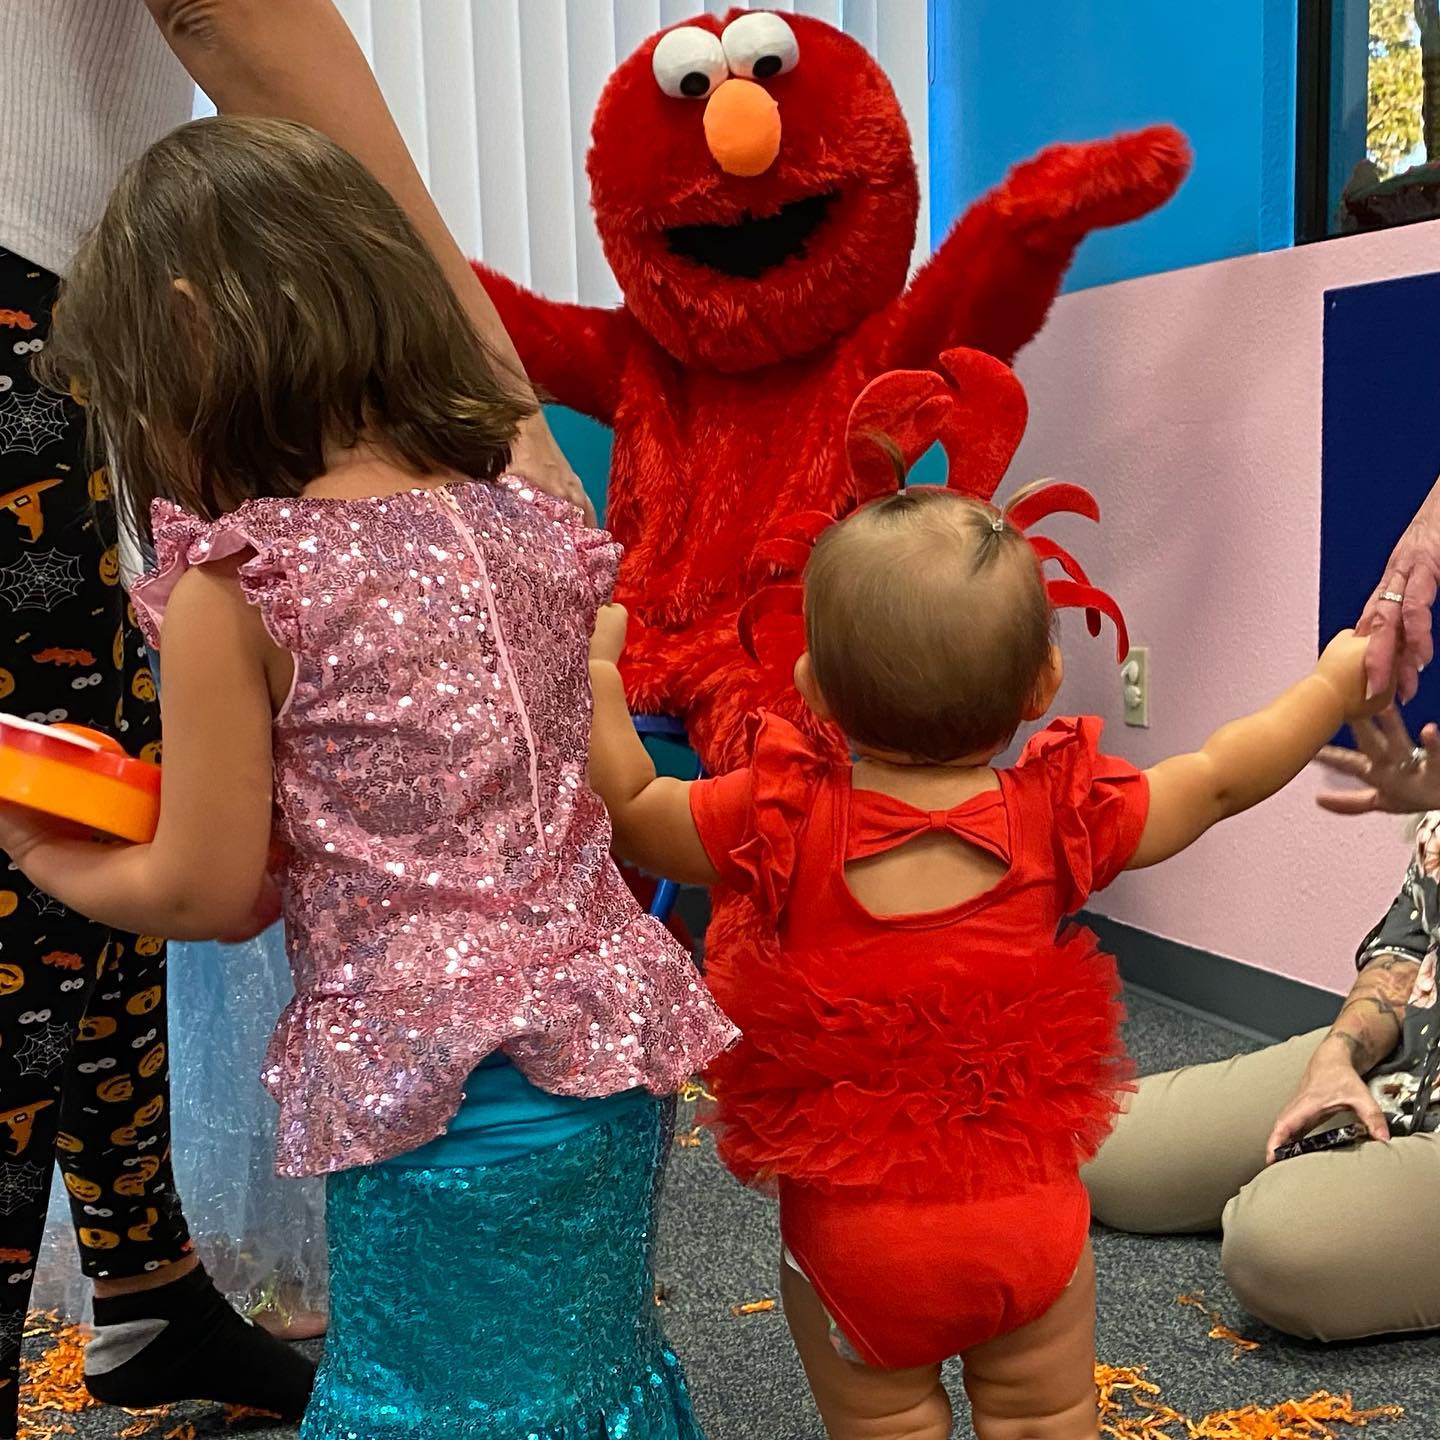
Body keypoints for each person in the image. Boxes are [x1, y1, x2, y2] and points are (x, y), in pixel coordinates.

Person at [0, 116, 738, 1440]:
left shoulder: (247, 581)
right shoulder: (524, 525)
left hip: (430, 1104)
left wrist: (43, 851)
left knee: (434, 1399)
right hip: (616, 1060)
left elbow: (210, 890)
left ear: (190, 330)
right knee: (583, 1379)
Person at [583, 482, 1381, 1440]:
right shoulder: (1059, 816)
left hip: (857, 1243)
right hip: (1029, 1220)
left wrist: (595, 679)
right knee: (1046, 1413)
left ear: (814, 692)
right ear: (1042, 687)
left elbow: (631, 810)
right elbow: (1216, 778)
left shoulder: (780, 815)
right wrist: (1334, 685)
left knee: (887, 1424)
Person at [1084, 706, 1440, 1342]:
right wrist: (1340, 1053)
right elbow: (1408, 947)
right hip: (1411, 1058)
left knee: (1274, 1248)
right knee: (1101, 1148)